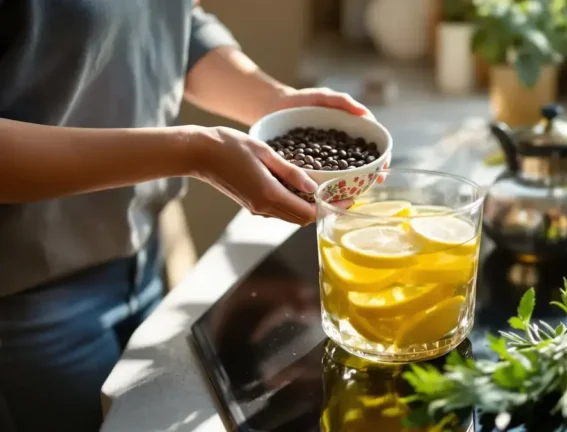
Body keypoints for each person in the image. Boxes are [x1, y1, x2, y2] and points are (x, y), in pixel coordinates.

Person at [0, 2, 376, 431]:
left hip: (144, 259)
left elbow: (172, 19)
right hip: (28, 301)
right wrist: (193, 152)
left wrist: (275, 103)